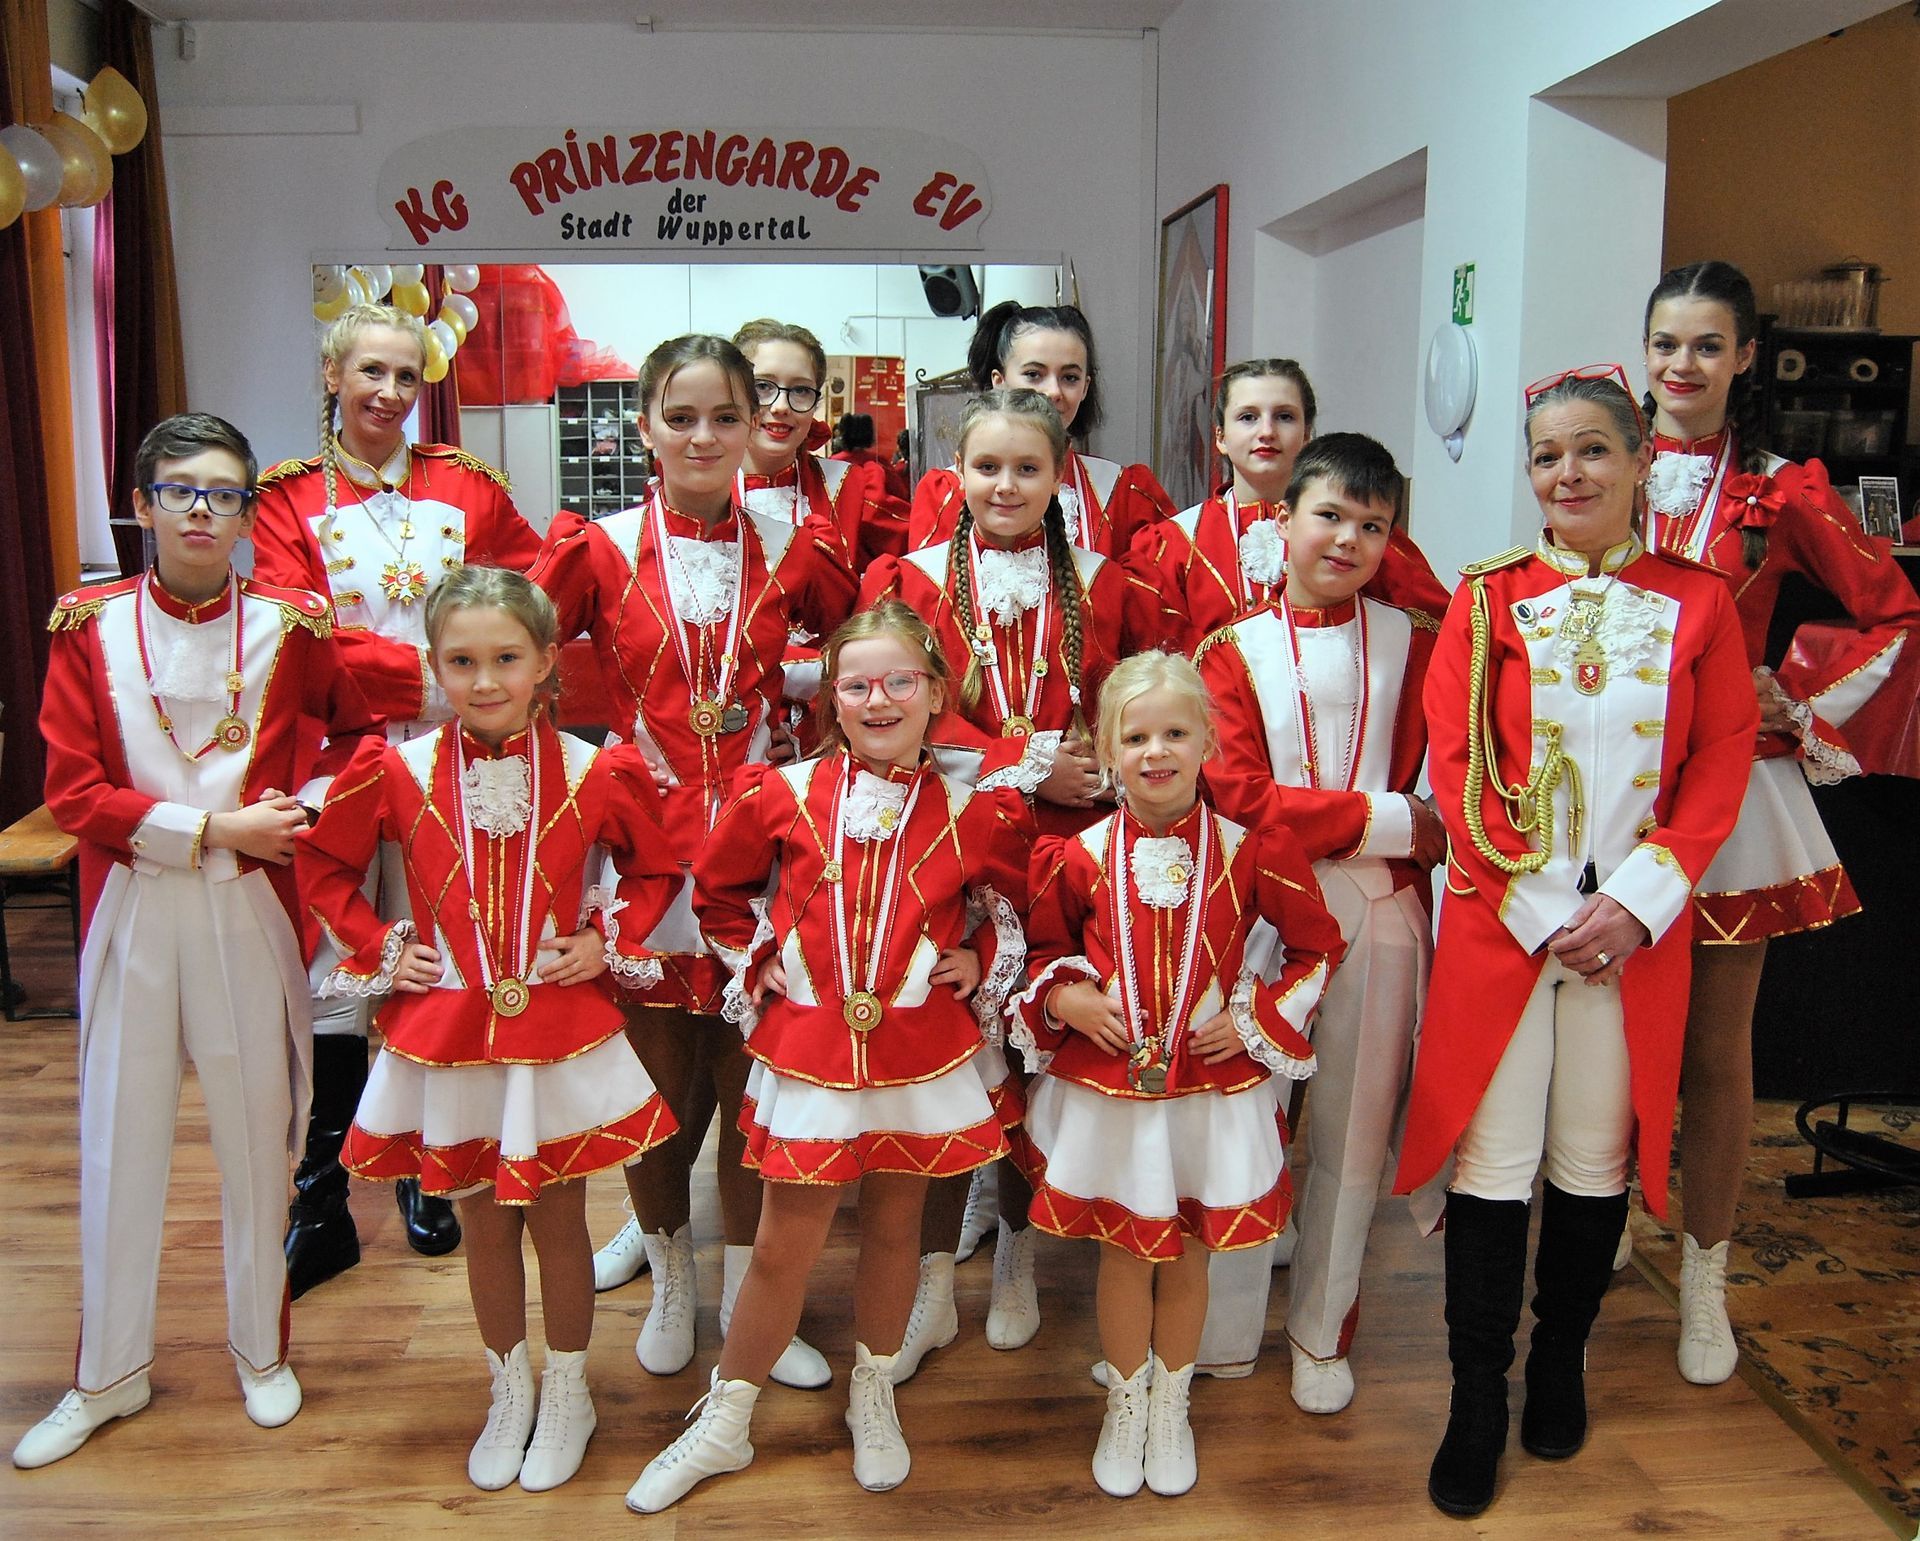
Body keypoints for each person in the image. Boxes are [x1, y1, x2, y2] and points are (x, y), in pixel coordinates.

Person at [1394, 367, 1757, 1518]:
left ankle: (1561, 1358)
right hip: (1506, 921)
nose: (1569, 473)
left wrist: (1641, 900)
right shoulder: (1487, 597)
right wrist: (1530, 902)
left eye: (1594, 449)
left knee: (1594, 1159)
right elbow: (1454, 757)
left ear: (1643, 460)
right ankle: (1475, 1394)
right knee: (1494, 1162)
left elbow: (1723, 757)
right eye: (1548, 454)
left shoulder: (1700, 601)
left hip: (1633, 932)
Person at [16, 414, 378, 1469]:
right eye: (180, 491)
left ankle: (261, 1350)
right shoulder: (86, 623)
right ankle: (108, 1373)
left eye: (224, 494)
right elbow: (73, 791)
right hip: (132, 902)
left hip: (250, 910)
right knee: (117, 1141)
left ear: (248, 511)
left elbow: (359, 737)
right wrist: (216, 828)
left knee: (259, 1138)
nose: (201, 513)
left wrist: (306, 808)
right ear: (141, 504)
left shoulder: (292, 624)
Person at [627, 601, 1032, 1511]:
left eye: (899, 681)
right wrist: (756, 955)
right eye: (857, 685)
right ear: (833, 700)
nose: (878, 699)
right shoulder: (781, 792)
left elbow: (1011, 906)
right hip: (812, 1046)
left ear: (937, 693)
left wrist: (981, 954)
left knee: (894, 1229)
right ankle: (727, 1418)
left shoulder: (976, 812)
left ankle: (872, 1389)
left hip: (919, 1049)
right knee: (782, 1245)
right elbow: (719, 888)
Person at [300, 566, 679, 1492]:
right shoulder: (394, 769)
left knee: (559, 1217)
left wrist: (603, 937)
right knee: (480, 1218)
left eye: (506, 658)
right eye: (461, 661)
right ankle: (509, 1386)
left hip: (555, 1027)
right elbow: (324, 868)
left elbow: (656, 869)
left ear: (546, 660)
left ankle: (570, 1388)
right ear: (433, 665)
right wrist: (382, 947)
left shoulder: (597, 768)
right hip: (449, 1025)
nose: (484, 680)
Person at [532, 334, 856, 1392]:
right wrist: (573, 787)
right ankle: (673, 1278)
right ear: (646, 429)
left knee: (754, 1089)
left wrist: (815, 734)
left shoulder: (795, 542)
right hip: (645, 860)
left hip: (764, 857)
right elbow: (522, 658)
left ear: (756, 423)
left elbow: (861, 651)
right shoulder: (598, 547)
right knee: (660, 1088)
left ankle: (750, 1307)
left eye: (726, 416)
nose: (705, 437)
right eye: (681, 418)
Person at [1638, 261, 1920, 1385]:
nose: (1683, 364)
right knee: (1604, 1037)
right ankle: (1596, 1226)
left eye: (1708, 344)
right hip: (1607, 789)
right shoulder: (1598, 458)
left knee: (1715, 1052)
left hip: (1732, 789)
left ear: (1747, 357)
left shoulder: (1783, 492)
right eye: (1667, 342)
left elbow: (1896, 612)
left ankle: (1704, 1279)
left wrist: (1795, 695)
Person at [254, 301, 542, 1292]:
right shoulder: (287, 497)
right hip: (348, 756)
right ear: (332, 375)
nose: (388, 392)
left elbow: (527, 594)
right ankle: (321, 1198)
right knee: (339, 969)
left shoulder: (468, 484)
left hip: (462, 760)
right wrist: (434, 675)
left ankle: (434, 1165)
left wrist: (479, 682)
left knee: (443, 955)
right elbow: (298, 633)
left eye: (406, 375)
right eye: (369, 371)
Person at [863, 387, 1153, 1365]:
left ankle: (1019, 1254)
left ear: (1061, 476)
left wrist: (1098, 766)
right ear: (957, 473)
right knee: (950, 1056)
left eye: (1028, 468)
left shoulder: (1106, 582)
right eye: (987, 466)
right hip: (949, 843)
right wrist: (1027, 758)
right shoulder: (910, 579)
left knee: (1036, 1057)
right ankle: (932, 1284)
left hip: (1070, 854)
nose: (1005, 485)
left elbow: (1133, 704)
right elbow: (901, 703)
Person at [1013, 651, 1342, 1498]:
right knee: (1125, 1254)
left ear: (1208, 742)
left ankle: (1172, 1401)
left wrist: (1256, 1018)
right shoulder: (1077, 854)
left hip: (1207, 1091)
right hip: (1112, 1093)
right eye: (1134, 738)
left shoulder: (1251, 848)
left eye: (1174, 733)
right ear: (1107, 750)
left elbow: (1316, 948)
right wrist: (1068, 996)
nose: (1155, 751)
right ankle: (1125, 1403)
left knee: (1189, 1254)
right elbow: (1043, 951)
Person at [1197, 432, 1445, 1411]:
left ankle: (1321, 1329)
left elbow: (1452, 772)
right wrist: (1398, 819)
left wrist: (1419, 825)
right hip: (1262, 912)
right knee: (1243, 1123)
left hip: (1381, 913)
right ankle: (1218, 1333)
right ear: (1283, 519)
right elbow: (1242, 795)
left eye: (1372, 525)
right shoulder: (1230, 649)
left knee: (1354, 1128)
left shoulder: (1418, 640)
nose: (1347, 539)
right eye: (1330, 515)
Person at [1131, 360, 1449, 651]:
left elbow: (1436, 636)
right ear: (1221, 437)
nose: (1267, 432)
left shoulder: (1360, 534)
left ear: (1307, 434)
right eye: (1248, 417)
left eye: (1284, 416)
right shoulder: (1171, 545)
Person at [905, 301, 1175, 558]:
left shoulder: (1122, 491)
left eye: (1070, 378)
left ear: (1085, 387)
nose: (1053, 391)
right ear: (999, 381)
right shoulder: (948, 492)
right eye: (1034, 374)